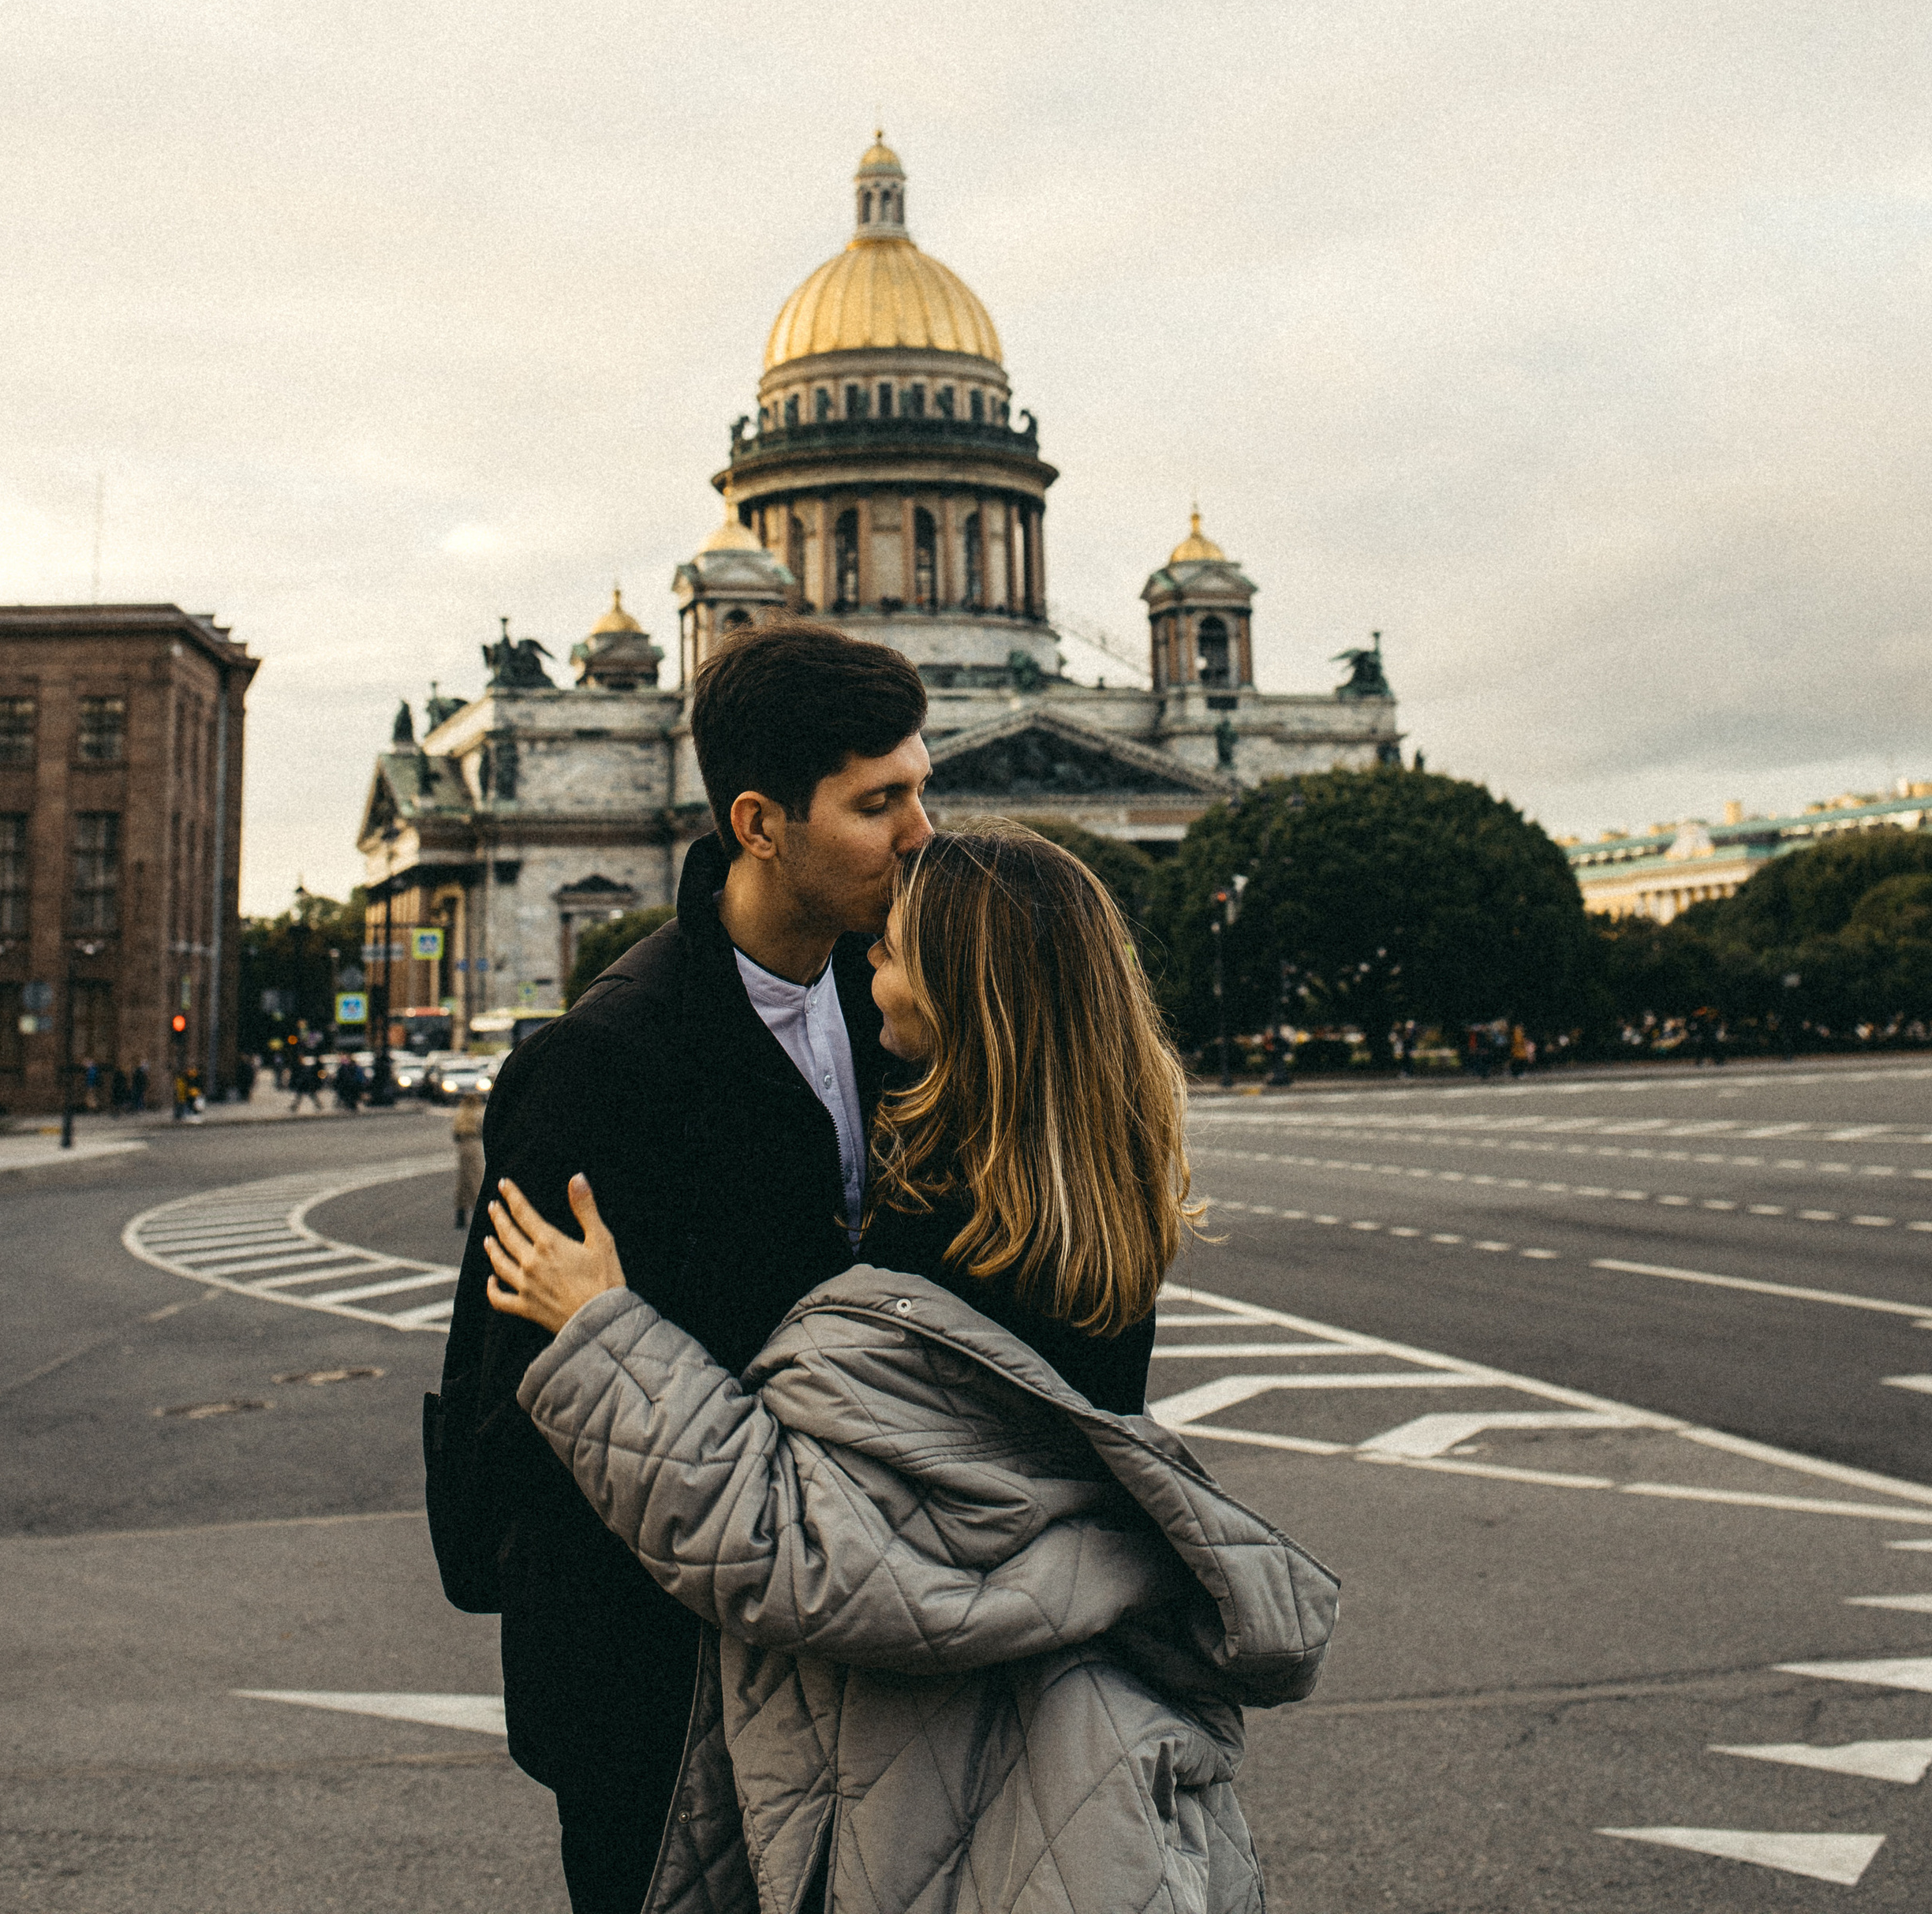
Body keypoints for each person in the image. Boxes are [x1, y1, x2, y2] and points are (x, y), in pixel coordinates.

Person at [484, 824, 1337, 1914]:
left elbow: (795, 1545)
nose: (863, 967)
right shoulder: (1084, 1207)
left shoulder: (946, 1246)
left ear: (957, 987)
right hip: (1055, 1743)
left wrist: (605, 1332)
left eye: (886, 949)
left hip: (926, 1772)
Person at [427, 623, 933, 1914]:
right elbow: (524, 1408)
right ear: (762, 823)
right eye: (881, 803)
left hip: (840, 1655)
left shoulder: (894, 1010)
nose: (921, 832)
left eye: (921, 790)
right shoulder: (603, 1064)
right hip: (652, 1690)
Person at [451, 1094, 484, 1230]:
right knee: (477, 1180)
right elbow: (483, 1129)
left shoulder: (461, 1114)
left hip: (463, 1147)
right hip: (475, 1146)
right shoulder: (478, 1113)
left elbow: (455, 1134)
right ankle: (480, 1215)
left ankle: (461, 1215)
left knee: (463, 1182)